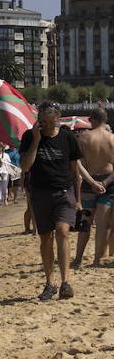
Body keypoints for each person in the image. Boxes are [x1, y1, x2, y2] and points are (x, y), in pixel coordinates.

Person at [19, 101, 95, 300]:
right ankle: (50, 282)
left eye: (49, 121)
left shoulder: (67, 138)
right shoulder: (29, 137)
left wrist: (78, 199)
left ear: (57, 119)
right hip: (40, 193)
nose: (45, 125)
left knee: (62, 231)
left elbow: (75, 171)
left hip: (64, 192)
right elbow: (25, 167)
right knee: (46, 237)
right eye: (42, 121)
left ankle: (65, 282)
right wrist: (36, 140)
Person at [74, 107, 114, 266]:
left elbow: (77, 164)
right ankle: (97, 260)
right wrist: (104, 183)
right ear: (105, 120)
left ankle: (78, 259)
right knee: (103, 225)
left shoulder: (83, 138)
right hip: (108, 183)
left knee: (85, 222)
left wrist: (91, 181)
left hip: (88, 183)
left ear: (93, 120)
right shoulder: (112, 138)